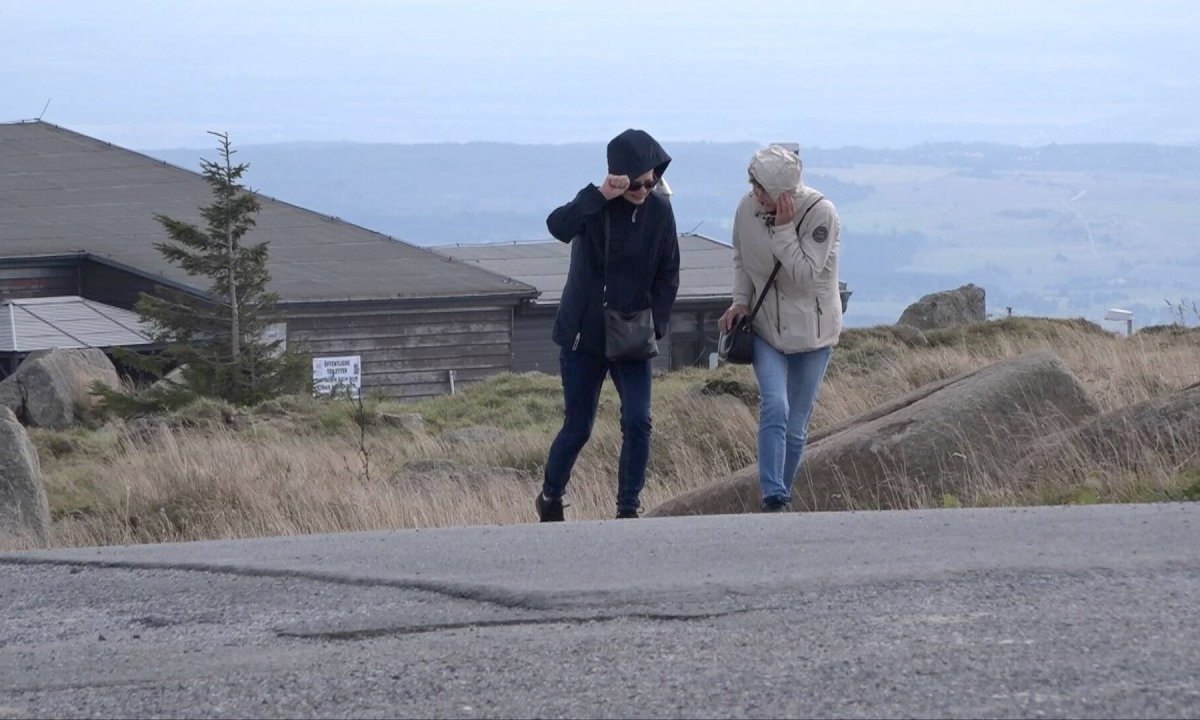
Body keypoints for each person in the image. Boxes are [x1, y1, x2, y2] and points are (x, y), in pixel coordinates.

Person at [537, 129, 680, 522]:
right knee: (579, 427)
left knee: (639, 420)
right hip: (585, 336)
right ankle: (551, 495)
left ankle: (628, 507)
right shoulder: (594, 207)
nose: (644, 189)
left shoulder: (661, 212)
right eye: (636, 183)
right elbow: (557, 225)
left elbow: (669, 272)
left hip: (634, 334)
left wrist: (657, 324)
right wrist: (599, 196)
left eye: (651, 182)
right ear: (617, 177)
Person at [719, 145, 842, 512]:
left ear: (783, 194)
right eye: (753, 187)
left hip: (813, 333)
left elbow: (804, 275)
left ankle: (783, 495)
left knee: (796, 423)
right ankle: (772, 493)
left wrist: (785, 230)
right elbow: (742, 259)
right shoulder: (747, 209)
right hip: (766, 329)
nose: (755, 196)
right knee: (775, 404)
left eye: (763, 191)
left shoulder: (821, 213)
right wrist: (740, 301)